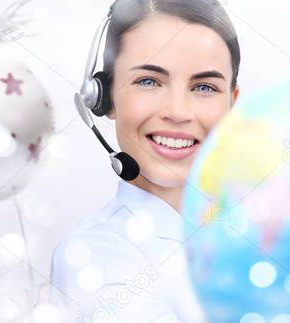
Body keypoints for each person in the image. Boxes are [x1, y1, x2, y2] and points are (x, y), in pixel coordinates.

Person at [50, 0, 240, 321]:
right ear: (104, 97)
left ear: (231, 106)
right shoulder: (93, 255)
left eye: (205, 86)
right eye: (149, 81)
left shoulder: (266, 228)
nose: (178, 112)